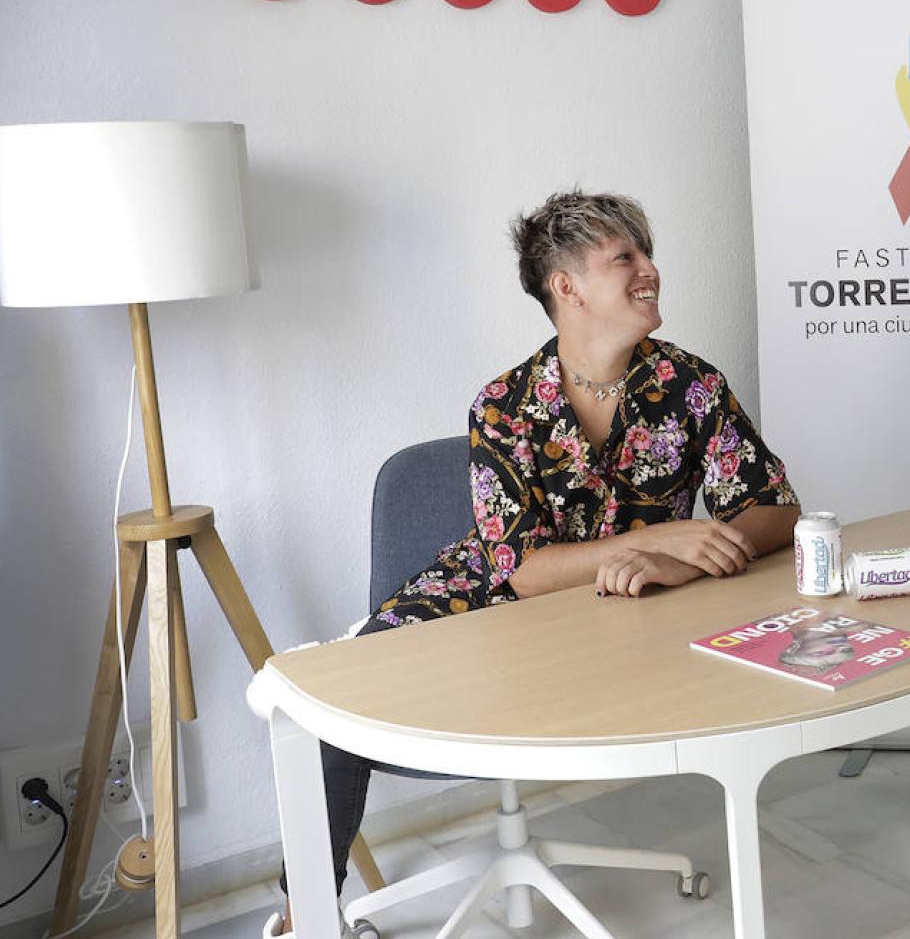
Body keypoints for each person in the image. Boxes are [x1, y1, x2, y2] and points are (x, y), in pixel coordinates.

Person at [261, 190, 800, 937]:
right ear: (567, 287)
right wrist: (656, 543)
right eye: (626, 257)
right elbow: (523, 570)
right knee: (340, 696)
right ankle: (304, 915)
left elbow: (775, 508)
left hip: (632, 615)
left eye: (646, 252)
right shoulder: (502, 406)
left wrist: (684, 562)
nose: (650, 270)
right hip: (483, 601)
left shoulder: (691, 386)